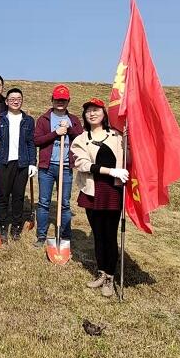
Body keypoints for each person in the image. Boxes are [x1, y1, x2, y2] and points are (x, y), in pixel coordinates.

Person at [71, 98, 129, 297]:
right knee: (98, 234)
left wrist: (130, 142)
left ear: (104, 114)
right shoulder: (80, 139)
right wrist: (110, 171)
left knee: (110, 235)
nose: (92, 113)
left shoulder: (118, 136)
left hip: (113, 191)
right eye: (88, 111)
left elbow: (129, 159)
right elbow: (83, 164)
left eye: (96, 110)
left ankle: (110, 277)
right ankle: (101, 272)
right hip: (92, 191)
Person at [33, 84, 84, 247]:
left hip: (66, 167)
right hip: (47, 168)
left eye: (63, 100)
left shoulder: (74, 120)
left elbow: (81, 140)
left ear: (68, 101)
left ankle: (65, 237)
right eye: (57, 99)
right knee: (44, 202)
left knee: (65, 204)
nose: (60, 102)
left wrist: (69, 130)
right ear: (52, 100)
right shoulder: (44, 119)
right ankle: (41, 236)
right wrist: (56, 133)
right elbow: (37, 140)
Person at [0, 88, 37, 242]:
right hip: (4, 162)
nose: (15, 101)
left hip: (22, 163)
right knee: (2, 195)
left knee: (18, 196)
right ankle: (2, 224)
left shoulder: (28, 120)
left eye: (18, 99)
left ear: (21, 100)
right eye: (12, 99)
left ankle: (16, 225)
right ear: (6, 101)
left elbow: (31, 143)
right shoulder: (0, 118)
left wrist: (32, 163)